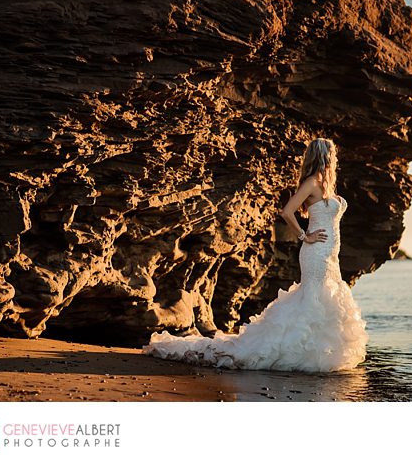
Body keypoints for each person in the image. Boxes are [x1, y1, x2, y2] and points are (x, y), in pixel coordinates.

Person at [143, 138, 368, 372]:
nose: (335, 158)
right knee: (313, 297)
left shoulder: (328, 187)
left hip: (331, 255)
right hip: (315, 253)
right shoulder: (312, 183)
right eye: (333, 154)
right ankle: (300, 352)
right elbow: (287, 212)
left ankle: (321, 350)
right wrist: (305, 236)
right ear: (325, 156)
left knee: (325, 298)